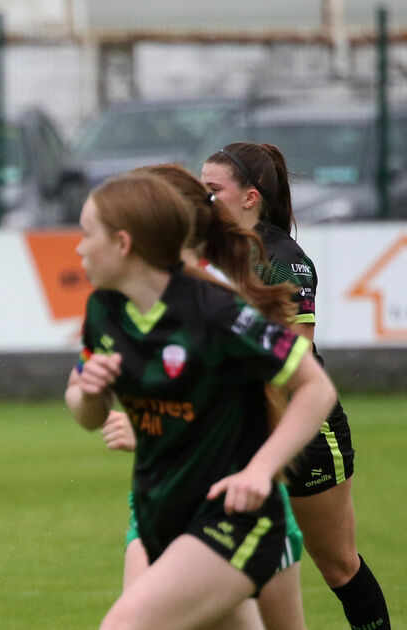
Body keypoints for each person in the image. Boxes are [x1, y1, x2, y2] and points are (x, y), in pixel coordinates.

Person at [65, 173, 338, 630]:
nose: (78, 248)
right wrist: (90, 393)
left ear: (123, 243)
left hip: (231, 520)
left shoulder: (216, 311)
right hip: (162, 515)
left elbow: (316, 388)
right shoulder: (103, 310)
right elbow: (84, 413)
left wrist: (259, 469)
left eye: (86, 233)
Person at [202, 143, 391, 630]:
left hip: (303, 433)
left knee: (339, 566)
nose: (201, 202)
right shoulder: (210, 254)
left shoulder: (285, 260)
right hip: (235, 431)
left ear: (249, 197)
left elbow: (294, 359)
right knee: (220, 565)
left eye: (211, 191)